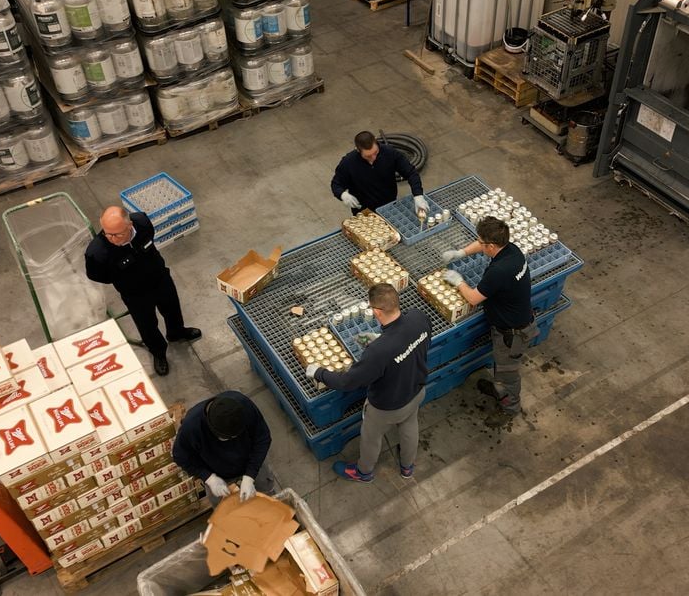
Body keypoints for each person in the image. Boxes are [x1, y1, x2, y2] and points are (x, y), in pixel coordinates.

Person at [306, 283, 431, 483]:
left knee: (371, 437)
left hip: (387, 407)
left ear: (376, 311)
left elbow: (347, 382)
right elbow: (414, 343)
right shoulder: (418, 318)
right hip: (417, 390)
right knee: (409, 424)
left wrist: (319, 372)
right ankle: (407, 467)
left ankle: (363, 472)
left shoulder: (378, 351)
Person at [442, 216, 538, 426]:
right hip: (518, 320)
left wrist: (459, 282)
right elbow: (482, 243)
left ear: (492, 246)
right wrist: (461, 252)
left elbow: (474, 298)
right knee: (501, 367)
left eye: (483, 244)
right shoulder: (512, 250)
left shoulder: (499, 271)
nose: (480, 245)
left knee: (507, 373)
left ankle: (509, 408)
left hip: (512, 335)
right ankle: (498, 388)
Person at [84, 206, 201, 376]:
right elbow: (97, 275)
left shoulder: (142, 222)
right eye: (107, 233)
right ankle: (158, 352)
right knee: (147, 326)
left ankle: (176, 332)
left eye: (117, 234)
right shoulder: (98, 252)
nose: (111, 238)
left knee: (172, 308)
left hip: (160, 279)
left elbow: (150, 237)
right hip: (135, 294)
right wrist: (123, 280)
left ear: (129, 225)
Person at [172, 391, 275, 505]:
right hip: (217, 473)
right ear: (211, 428)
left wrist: (250, 475)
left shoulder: (242, 405)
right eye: (227, 438)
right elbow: (180, 457)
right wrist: (208, 478)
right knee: (223, 508)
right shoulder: (191, 428)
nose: (231, 441)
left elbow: (262, 438)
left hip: (250, 461)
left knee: (267, 493)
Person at [331, 131, 427, 215]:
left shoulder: (390, 153)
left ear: (376, 142)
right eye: (368, 156)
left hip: (389, 206)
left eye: (375, 152)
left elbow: (411, 173)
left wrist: (418, 195)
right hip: (363, 211)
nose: (373, 158)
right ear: (358, 150)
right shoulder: (348, 162)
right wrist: (343, 194)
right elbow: (336, 184)